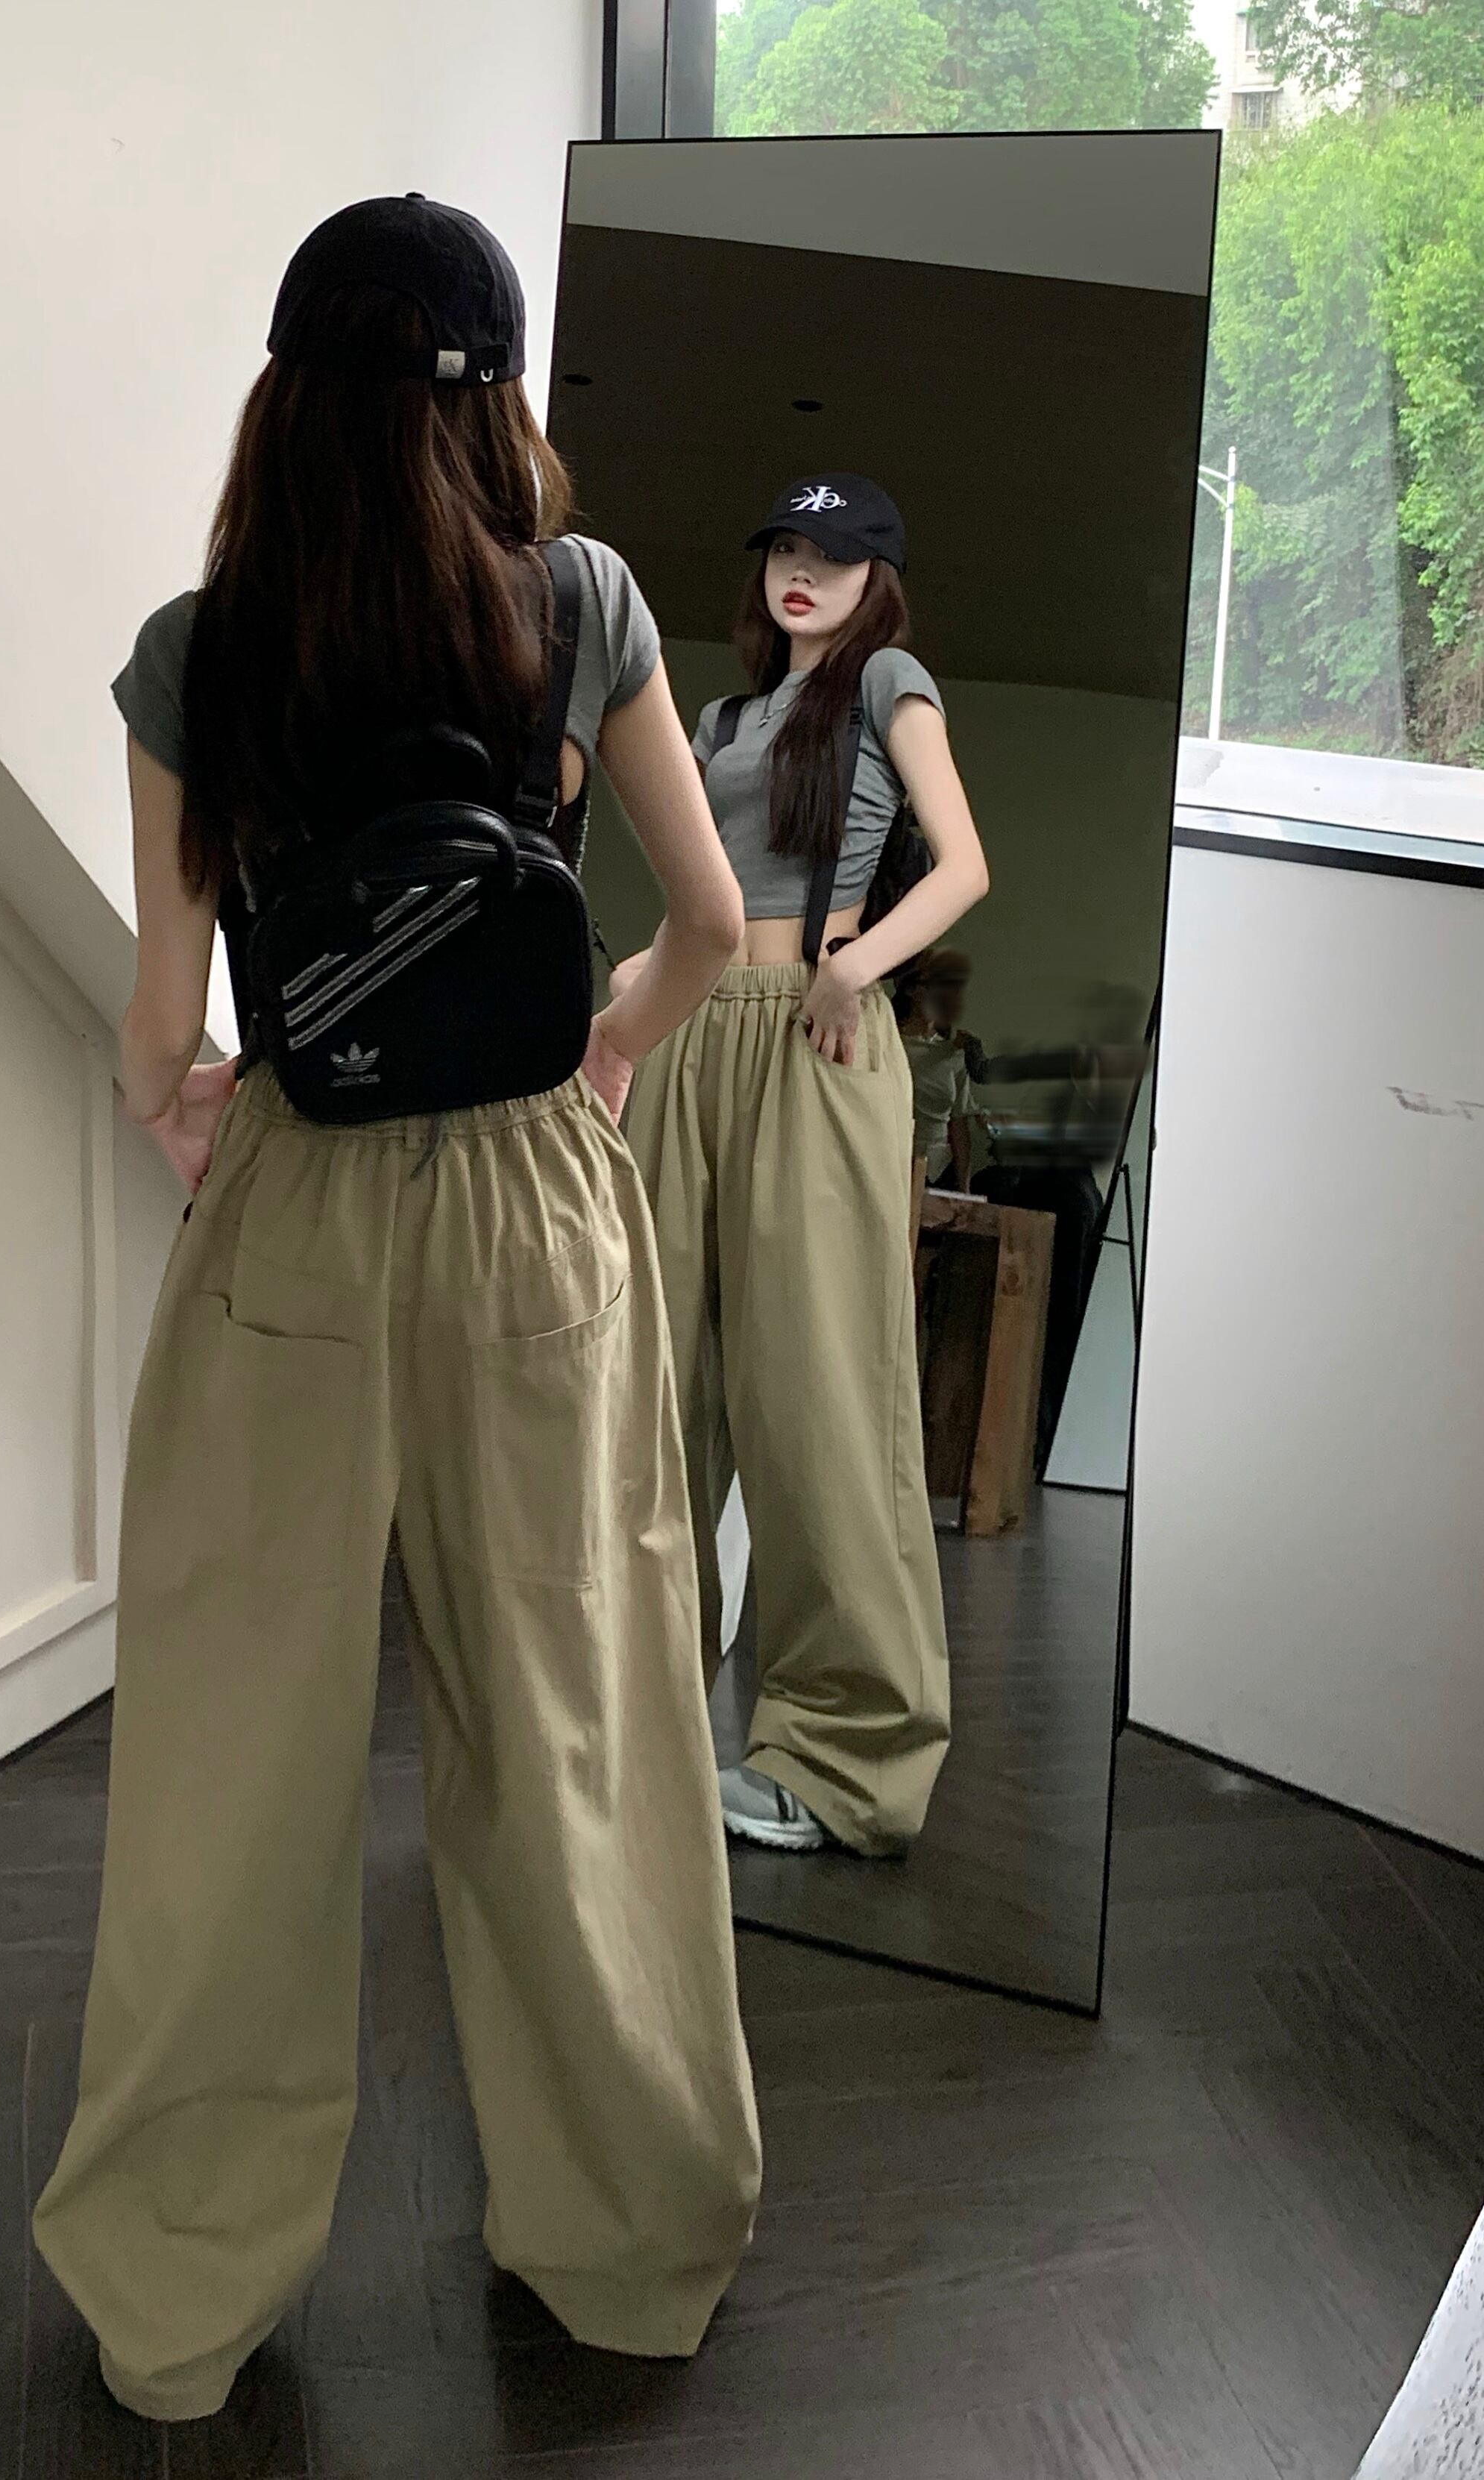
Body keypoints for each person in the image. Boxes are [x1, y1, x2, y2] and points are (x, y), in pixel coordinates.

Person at [30, 194, 761, 2422]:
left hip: (293, 1213)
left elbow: (161, 1029)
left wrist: (197, 1123)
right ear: (493, 394)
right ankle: (626, 2245)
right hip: (539, 1203)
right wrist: (599, 1054)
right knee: (574, 1728)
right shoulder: (583, 602)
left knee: (227, 1764)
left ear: (285, 397)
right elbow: (704, 924)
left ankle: (175, 2303)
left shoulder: (198, 650)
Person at [611, 474, 989, 1859]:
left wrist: (856, 965)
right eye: (782, 546)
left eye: (830, 555)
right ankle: (635, 1728)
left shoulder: (886, 683)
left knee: (820, 1392)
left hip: (813, 1044)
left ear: (873, 578)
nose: (800, 571)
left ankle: (840, 1759)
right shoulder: (717, 721)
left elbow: (961, 865)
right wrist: (632, 992)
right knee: (650, 1391)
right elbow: (700, 900)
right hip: (690, 1034)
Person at [894, 947, 984, 1192]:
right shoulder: (890, 1044)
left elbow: (959, 1124)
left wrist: (964, 1189)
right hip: (895, 1162)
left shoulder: (952, 1054)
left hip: (938, 1170)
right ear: (912, 989)